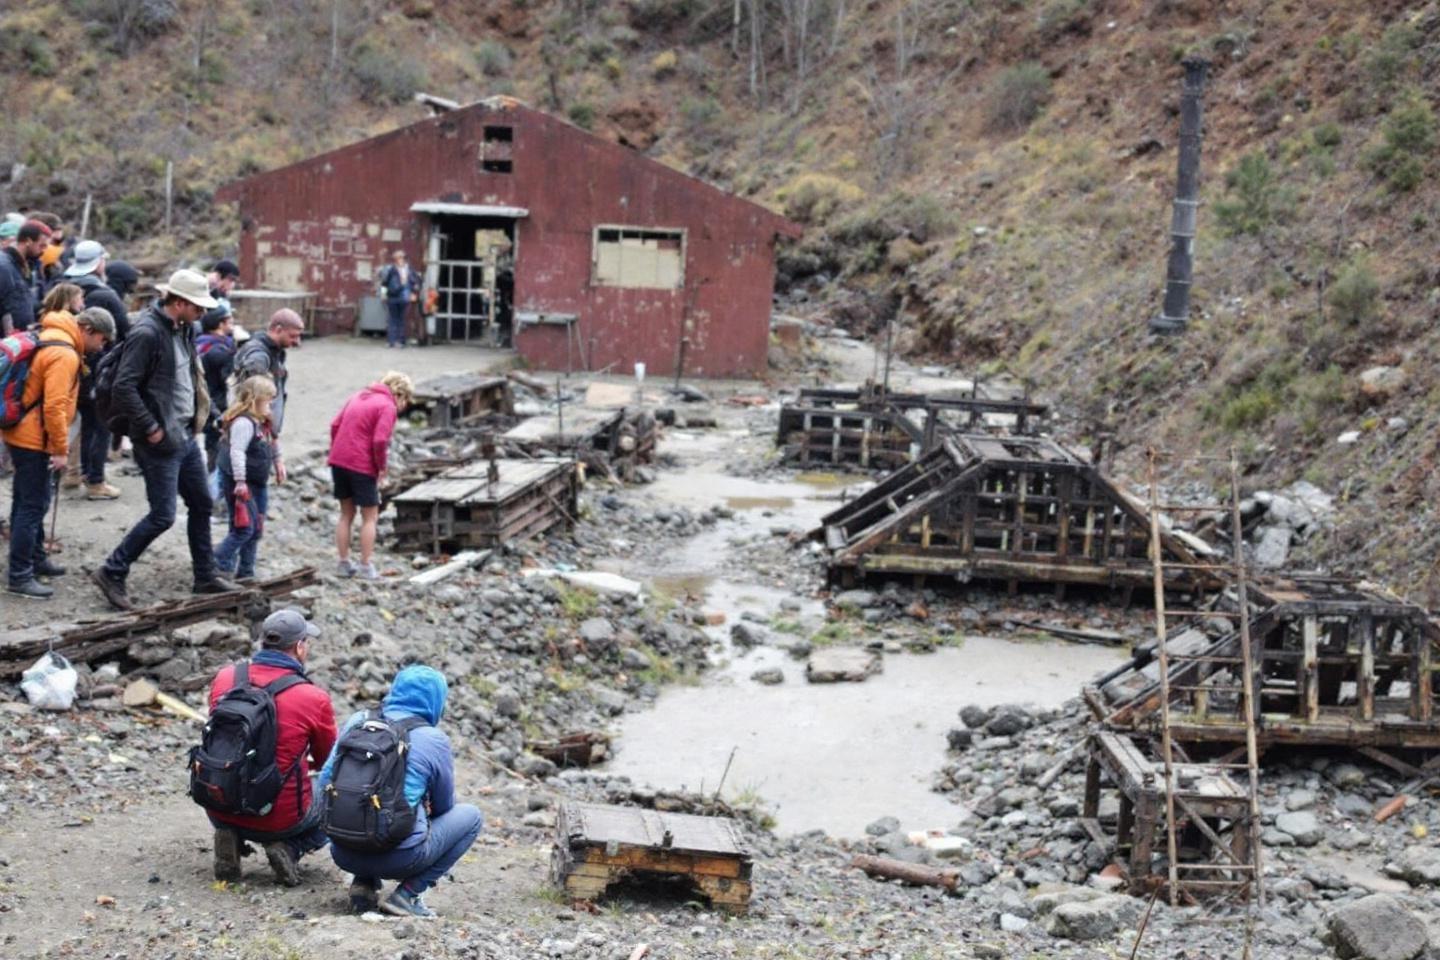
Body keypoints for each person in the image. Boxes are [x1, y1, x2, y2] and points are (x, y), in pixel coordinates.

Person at [92, 269, 234, 611]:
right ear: (180, 302)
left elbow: (190, 380)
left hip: (183, 434)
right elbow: (125, 387)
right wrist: (151, 427)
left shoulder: (185, 328)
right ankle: (112, 570)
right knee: (163, 515)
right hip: (158, 438)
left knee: (201, 501)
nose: (203, 312)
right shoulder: (147, 332)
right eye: (198, 306)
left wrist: (213, 414)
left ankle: (204, 574)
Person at [319, 664, 481, 917]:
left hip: (342, 851)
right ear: (436, 700)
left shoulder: (358, 721)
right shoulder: (433, 739)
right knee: (471, 817)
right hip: (402, 859)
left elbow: (324, 782)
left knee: (365, 797)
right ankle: (408, 894)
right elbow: (444, 808)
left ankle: (363, 884)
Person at [207, 609, 337, 886]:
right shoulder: (313, 697)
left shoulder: (225, 678)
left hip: (217, 802)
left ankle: (230, 832)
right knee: (337, 795)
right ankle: (292, 847)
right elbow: (330, 760)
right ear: (300, 647)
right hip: (279, 818)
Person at [3, 297, 114, 598]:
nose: (101, 346)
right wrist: (60, 449)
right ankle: (20, 575)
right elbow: (54, 406)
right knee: (32, 505)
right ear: (88, 329)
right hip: (34, 438)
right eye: (101, 339)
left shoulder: (51, 335)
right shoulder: (64, 355)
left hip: (22, 432)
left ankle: (34, 559)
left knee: (27, 501)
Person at [328, 372, 412, 579]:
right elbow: (380, 440)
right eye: (406, 401)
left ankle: (343, 563)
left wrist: (336, 449)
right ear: (400, 394)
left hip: (339, 461)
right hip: (361, 465)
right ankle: (365, 565)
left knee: (346, 514)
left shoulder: (358, 396)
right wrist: (380, 466)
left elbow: (334, 425)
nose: (404, 406)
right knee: (370, 517)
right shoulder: (387, 406)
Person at [64, 240, 131, 500]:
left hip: (68, 366)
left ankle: (73, 472)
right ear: (98, 263)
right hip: (96, 370)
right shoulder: (105, 295)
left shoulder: (62, 285)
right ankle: (95, 481)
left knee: (77, 422)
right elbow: (124, 331)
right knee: (99, 425)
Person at [214, 376, 278, 582]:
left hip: (256, 480)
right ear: (255, 400)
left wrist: (279, 461)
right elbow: (237, 452)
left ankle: (246, 570)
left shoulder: (262, 422)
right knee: (244, 527)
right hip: (241, 481)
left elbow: (272, 442)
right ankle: (219, 561)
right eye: (268, 399)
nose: (271, 404)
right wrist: (240, 482)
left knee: (255, 526)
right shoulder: (244, 423)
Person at [233, 309, 301, 469]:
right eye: (293, 336)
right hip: (249, 435)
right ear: (278, 330)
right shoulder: (258, 358)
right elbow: (254, 403)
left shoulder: (276, 353)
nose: (298, 342)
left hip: (258, 434)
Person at [197, 302, 236, 470]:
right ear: (221, 324)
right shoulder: (220, 351)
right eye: (230, 321)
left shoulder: (200, 344)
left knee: (211, 445)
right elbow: (230, 383)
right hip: (217, 406)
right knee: (218, 449)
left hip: (202, 402)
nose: (233, 324)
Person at [0, 220, 48, 334]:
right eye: (41, 245)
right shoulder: (4, 266)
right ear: (28, 241)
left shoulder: (25, 266)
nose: (44, 250)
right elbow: (5, 306)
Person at [378, 251, 420, 348]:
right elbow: (384, 282)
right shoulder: (390, 269)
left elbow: (416, 283)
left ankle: (400, 341)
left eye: (401, 257)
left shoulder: (409, 270)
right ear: (395, 259)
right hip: (392, 296)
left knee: (401, 319)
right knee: (392, 319)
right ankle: (391, 341)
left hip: (404, 296)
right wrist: (384, 294)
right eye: (397, 258)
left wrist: (414, 293)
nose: (400, 259)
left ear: (404, 258)